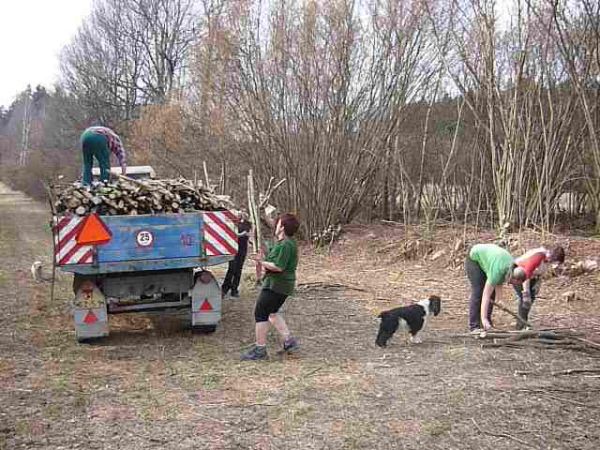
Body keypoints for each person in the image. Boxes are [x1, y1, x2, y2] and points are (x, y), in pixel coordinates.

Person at [241, 213, 300, 361]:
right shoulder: (283, 243)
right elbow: (274, 257)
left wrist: (261, 262)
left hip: (277, 285)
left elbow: (278, 267)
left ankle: (260, 350)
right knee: (272, 312)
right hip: (279, 285)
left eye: (278, 223)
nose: (275, 224)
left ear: (283, 227)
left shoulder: (286, 244)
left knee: (260, 313)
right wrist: (262, 255)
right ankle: (289, 342)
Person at [465, 243, 527, 333]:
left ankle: (486, 324)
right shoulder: (498, 270)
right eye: (512, 282)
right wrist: (484, 318)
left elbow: (499, 281)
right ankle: (474, 326)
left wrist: (500, 299)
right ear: (511, 276)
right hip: (474, 258)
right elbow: (486, 295)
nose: (511, 284)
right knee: (478, 291)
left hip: (491, 260)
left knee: (492, 294)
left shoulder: (511, 266)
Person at [513, 246, 565, 329]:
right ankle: (520, 325)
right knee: (524, 300)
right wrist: (526, 293)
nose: (555, 265)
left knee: (531, 299)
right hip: (519, 273)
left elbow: (539, 273)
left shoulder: (547, 260)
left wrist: (537, 285)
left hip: (532, 276)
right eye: (556, 262)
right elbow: (526, 274)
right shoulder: (538, 257)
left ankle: (523, 321)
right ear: (553, 257)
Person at [222, 211, 252, 298]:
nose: (240, 214)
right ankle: (224, 289)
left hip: (242, 249)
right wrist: (240, 234)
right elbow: (231, 234)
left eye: (242, 212)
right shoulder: (233, 223)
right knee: (231, 269)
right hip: (233, 248)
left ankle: (234, 290)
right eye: (238, 213)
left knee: (238, 270)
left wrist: (242, 235)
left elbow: (248, 233)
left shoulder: (248, 224)